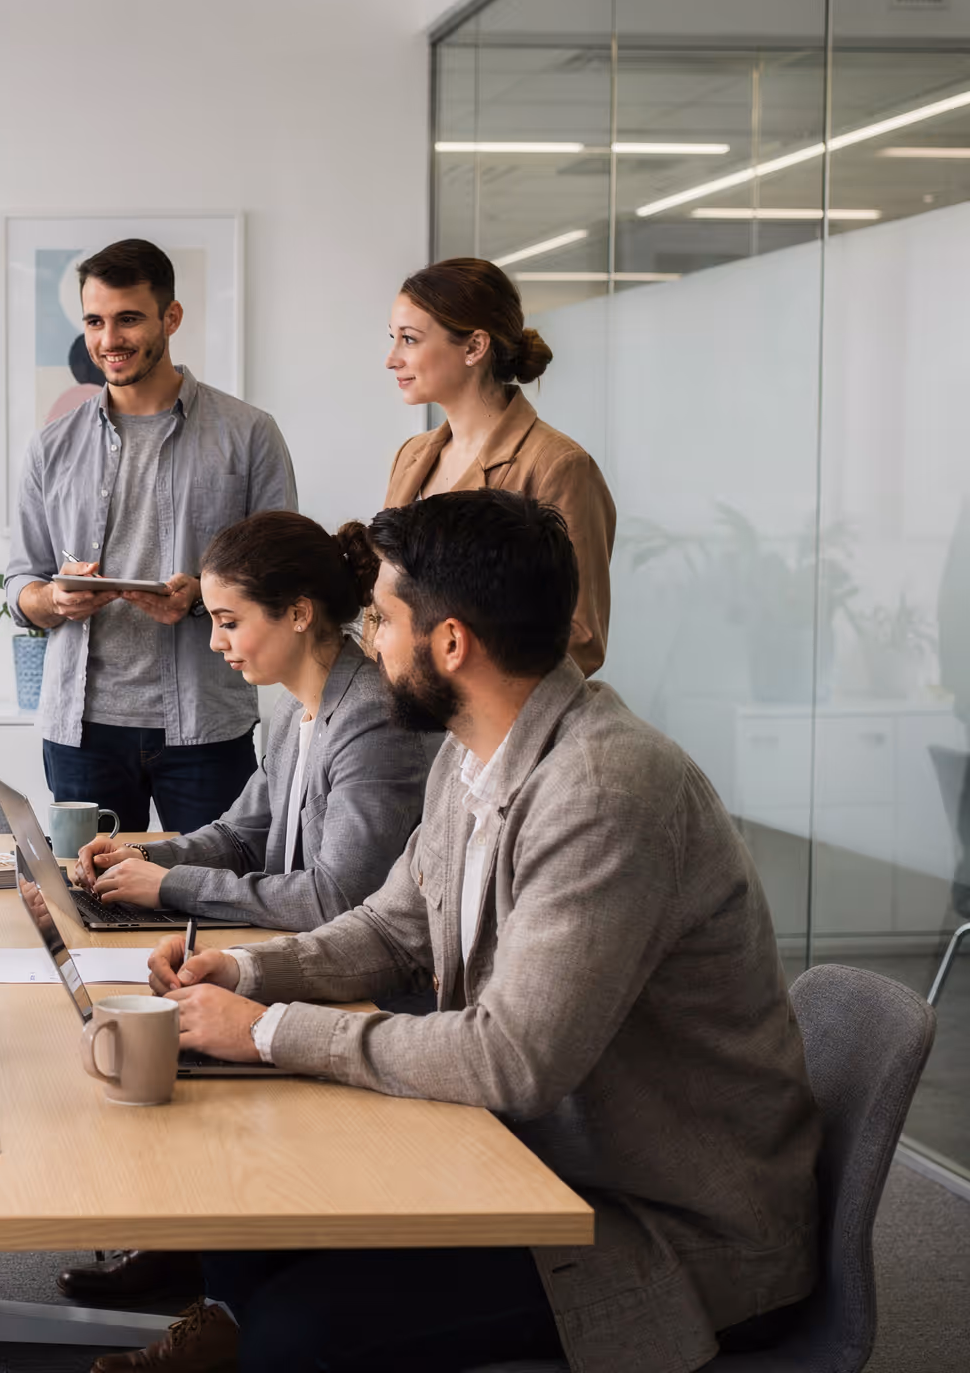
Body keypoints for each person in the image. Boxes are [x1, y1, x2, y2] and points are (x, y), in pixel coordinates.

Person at [103, 490, 820, 1373]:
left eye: (381, 618)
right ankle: (228, 1342)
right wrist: (248, 977)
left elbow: (513, 1060)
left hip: (657, 1221)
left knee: (299, 1329)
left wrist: (269, 1033)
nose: (369, 642)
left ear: (451, 644)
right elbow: (391, 927)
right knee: (253, 1220)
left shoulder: (603, 792)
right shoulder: (472, 750)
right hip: (533, 1159)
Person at [52, 510, 443, 1310]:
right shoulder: (294, 705)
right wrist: (147, 855)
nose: (216, 642)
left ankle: (205, 1260)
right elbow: (243, 832)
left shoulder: (371, 715)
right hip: (309, 961)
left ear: (299, 613)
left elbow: (342, 897)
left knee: (168, 1026)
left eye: (229, 622)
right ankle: (185, 1243)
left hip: (373, 990)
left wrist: (169, 889)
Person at [5, 238, 295, 834]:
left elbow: (285, 576)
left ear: (171, 317)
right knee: (89, 902)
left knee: (219, 904)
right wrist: (53, 600)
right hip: (81, 733)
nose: (109, 340)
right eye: (94, 321)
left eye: (128, 319)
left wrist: (200, 601)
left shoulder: (249, 435)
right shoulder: (50, 448)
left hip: (207, 725)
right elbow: (20, 584)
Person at [382, 256, 616, 674]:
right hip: (401, 716)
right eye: (393, 338)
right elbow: (383, 603)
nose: (392, 358)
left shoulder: (558, 466)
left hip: (490, 727)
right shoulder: (411, 457)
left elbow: (579, 637)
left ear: (474, 346)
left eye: (410, 340)